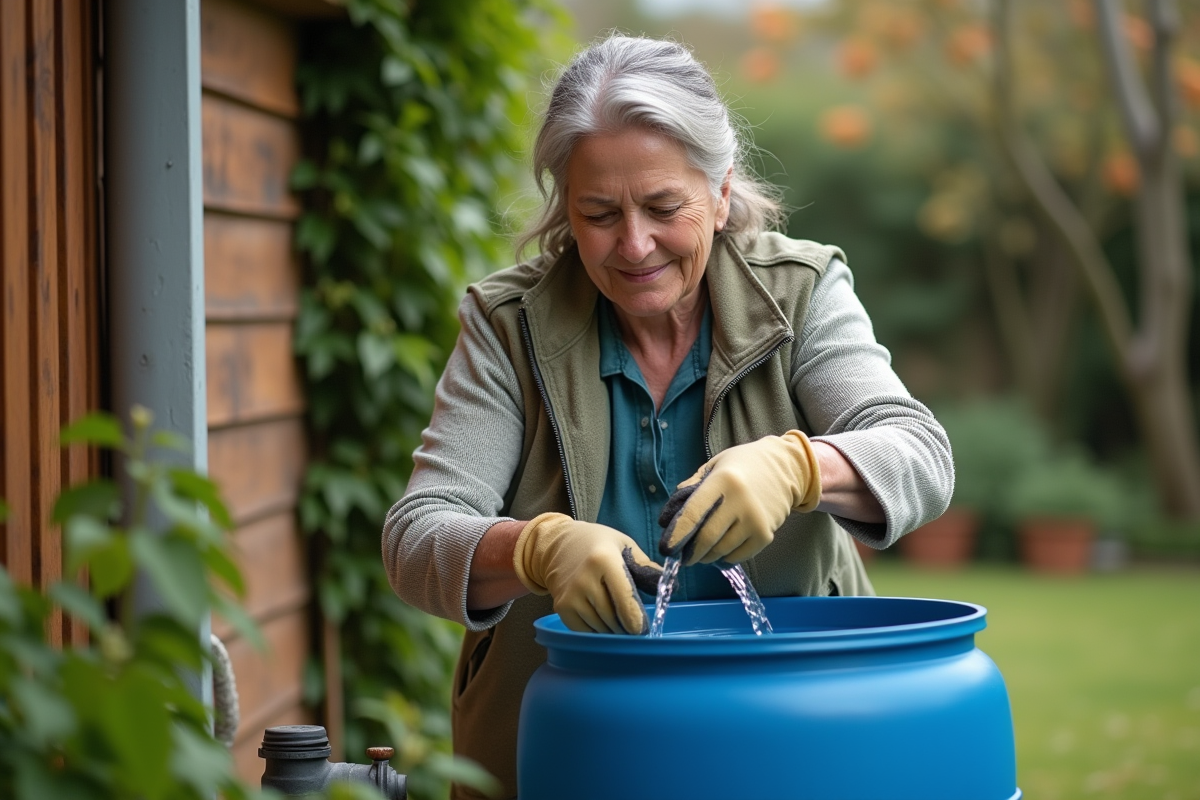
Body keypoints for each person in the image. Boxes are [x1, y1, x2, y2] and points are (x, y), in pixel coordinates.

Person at [383, 34, 953, 799]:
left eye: (662, 207)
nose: (634, 244)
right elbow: (417, 535)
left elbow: (920, 453)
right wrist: (534, 550)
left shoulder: (802, 292)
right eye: (597, 213)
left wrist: (798, 467)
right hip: (559, 752)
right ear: (563, 208)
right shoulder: (508, 325)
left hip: (794, 742)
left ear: (720, 193)